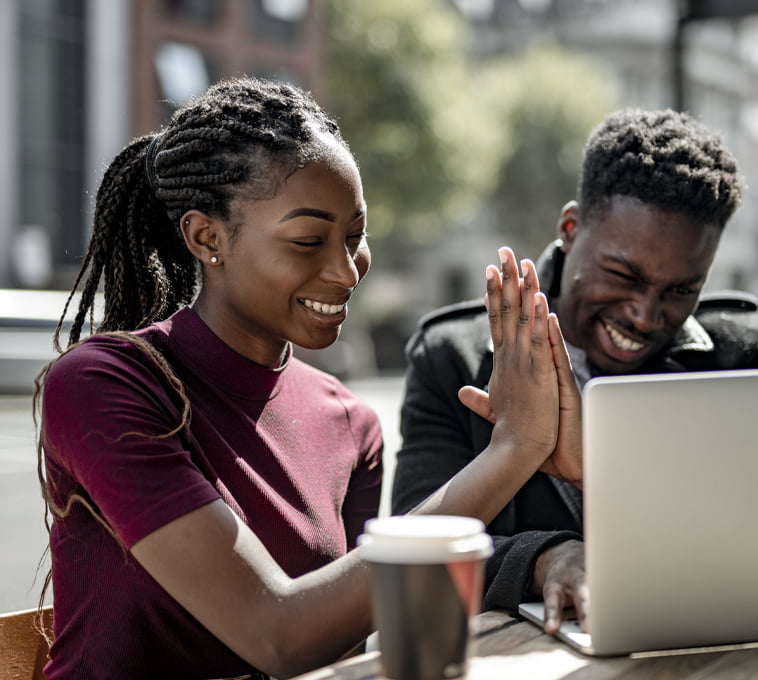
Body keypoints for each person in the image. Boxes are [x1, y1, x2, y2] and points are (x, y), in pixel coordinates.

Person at [35, 76, 576, 680]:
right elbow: (278, 634)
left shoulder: (350, 421)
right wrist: (514, 449)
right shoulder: (104, 384)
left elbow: (338, 652)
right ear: (206, 237)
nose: (346, 272)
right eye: (308, 240)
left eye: (354, 237)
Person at [391, 108, 758, 634]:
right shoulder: (452, 359)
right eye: (623, 275)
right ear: (571, 228)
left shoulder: (740, 353)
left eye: (680, 290)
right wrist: (542, 558)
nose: (646, 316)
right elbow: (415, 546)